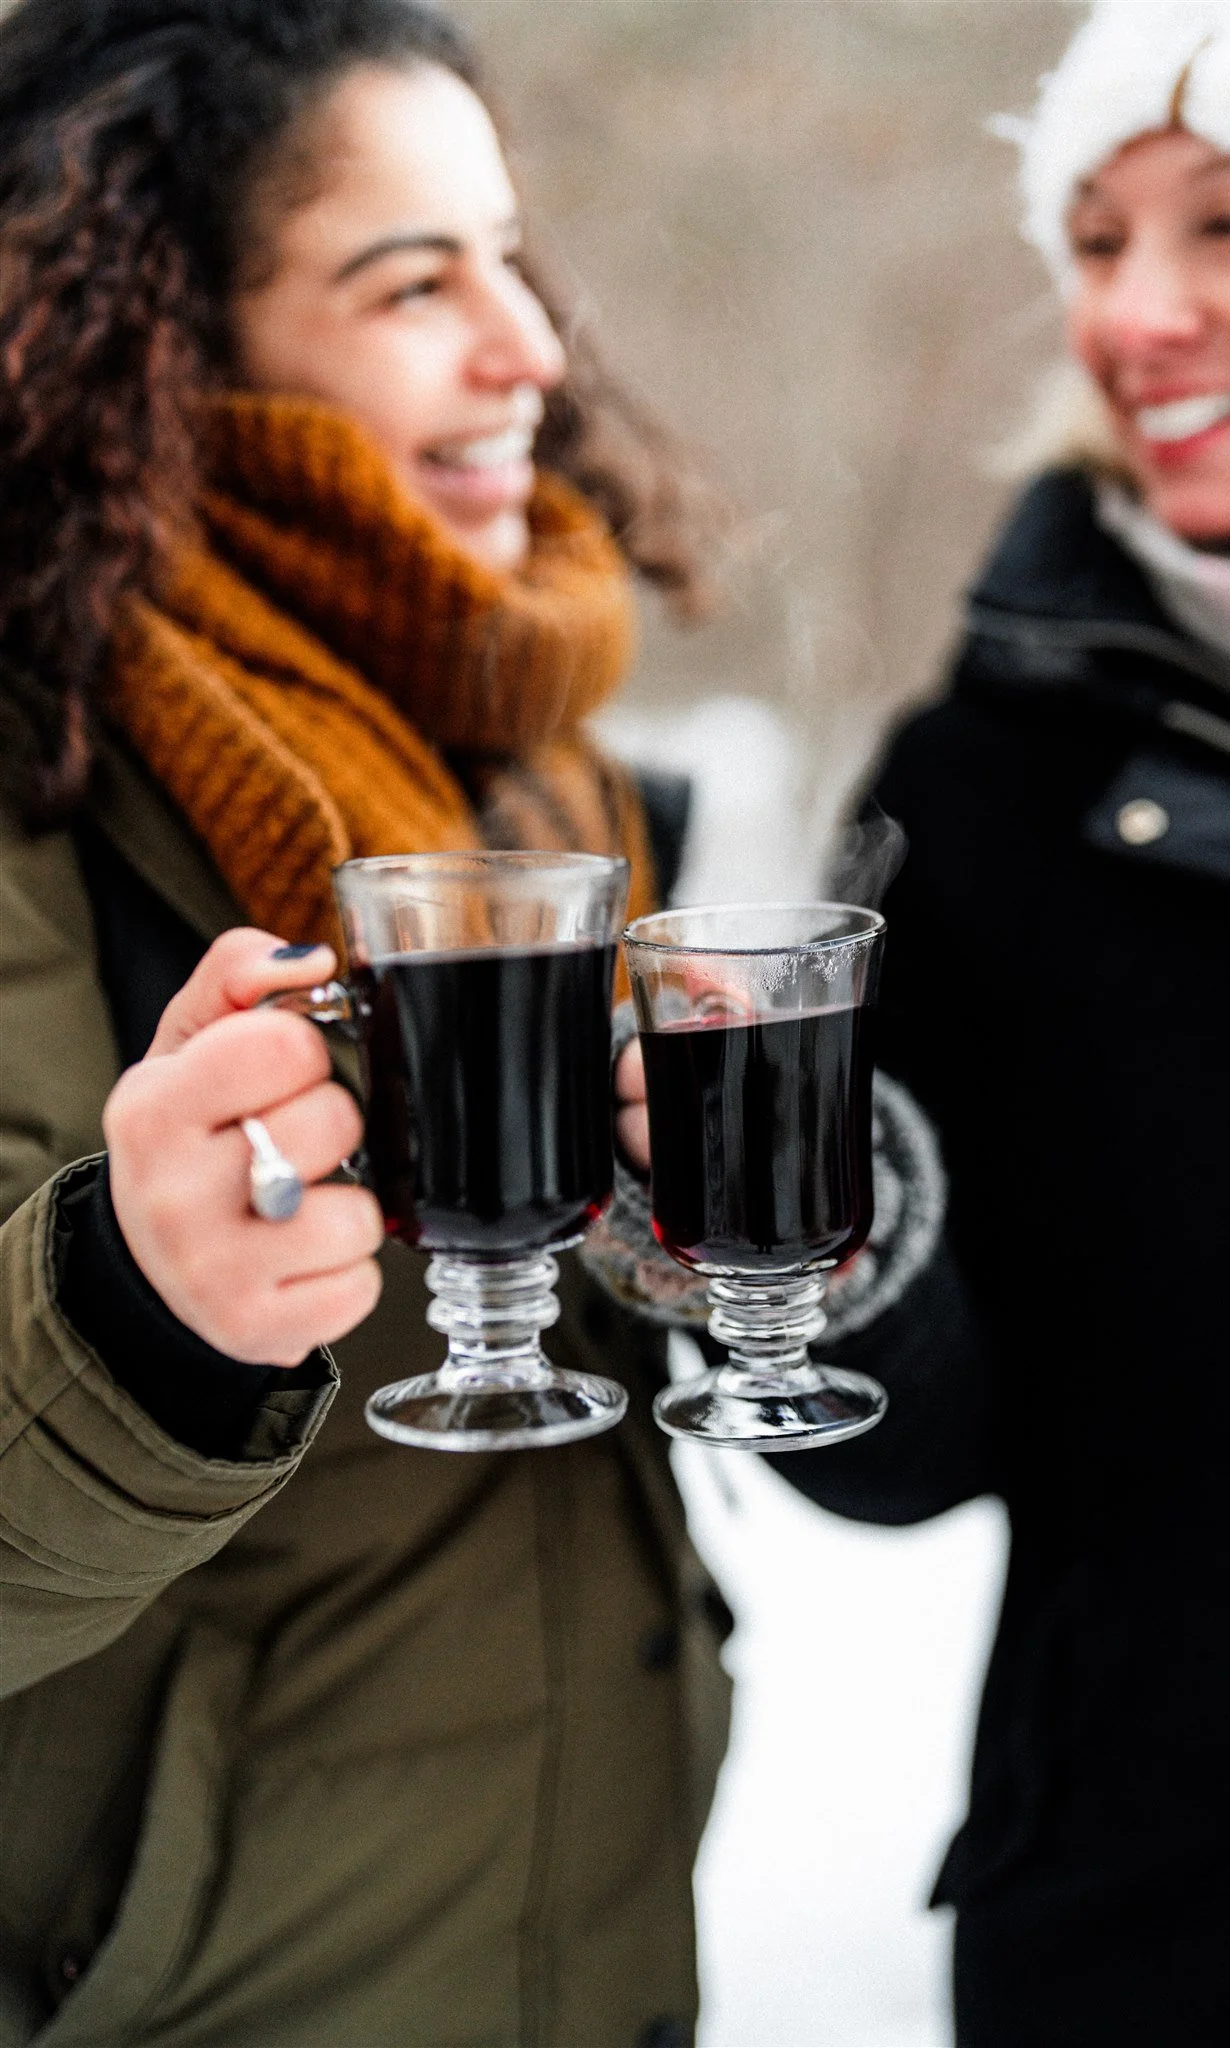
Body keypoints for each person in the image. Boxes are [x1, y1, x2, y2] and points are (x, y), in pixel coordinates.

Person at [618, 0, 1230, 2040]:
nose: (1139, 313)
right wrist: (828, 1235)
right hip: (1163, 1938)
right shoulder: (984, 782)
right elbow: (910, 1455)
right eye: (1098, 243)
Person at [0, 5, 731, 2043]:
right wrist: (128, 1318)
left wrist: (804, 1207)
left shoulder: (561, 776)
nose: (532, 349)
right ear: (152, 327)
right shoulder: (29, 788)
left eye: (511, 259)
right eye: (415, 281)